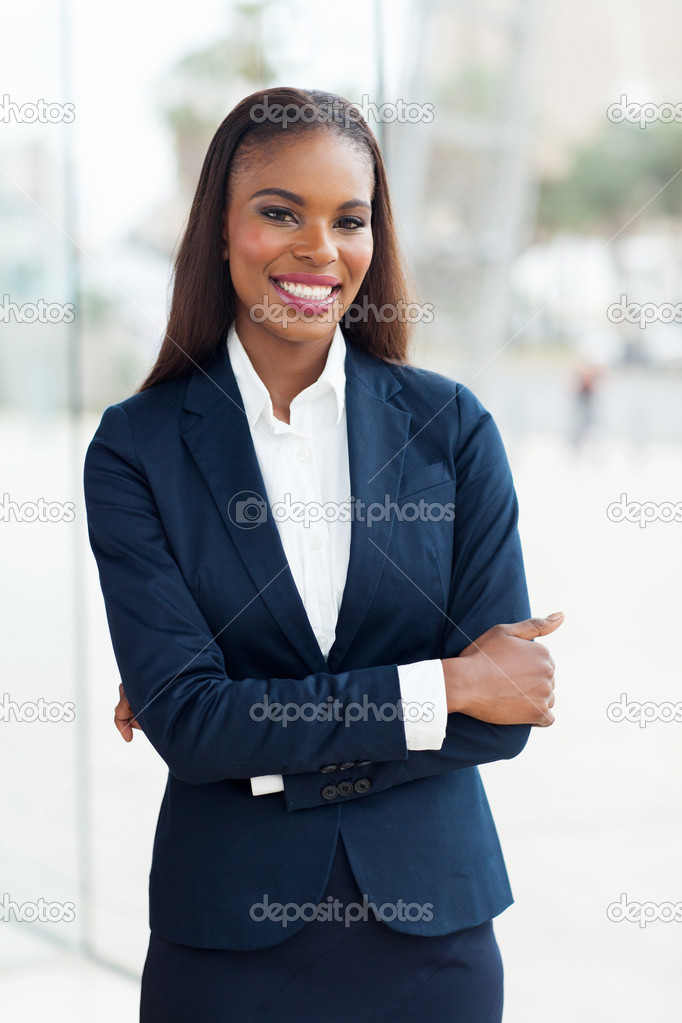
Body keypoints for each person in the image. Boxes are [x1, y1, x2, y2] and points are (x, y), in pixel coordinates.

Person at [84, 87, 562, 1023]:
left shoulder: (450, 429)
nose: (319, 249)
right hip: (226, 945)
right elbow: (189, 721)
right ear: (219, 232)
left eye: (350, 219)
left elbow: (501, 718)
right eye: (278, 212)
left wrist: (249, 728)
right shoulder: (135, 448)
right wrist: (443, 688)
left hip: (435, 942)